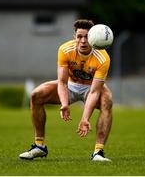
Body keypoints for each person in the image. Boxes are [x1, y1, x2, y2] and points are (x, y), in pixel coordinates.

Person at [19, 19, 113, 162]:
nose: (82, 41)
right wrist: (64, 104)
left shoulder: (103, 57)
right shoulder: (65, 49)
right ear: (74, 36)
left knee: (107, 99)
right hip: (69, 85)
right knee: (36, 95)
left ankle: (98, 152)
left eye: (87, 37)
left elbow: (95, 91)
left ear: (93, 37)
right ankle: (39, 147)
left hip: (90, 88)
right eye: (79, 36)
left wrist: (85, 118)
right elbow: (62, 82)